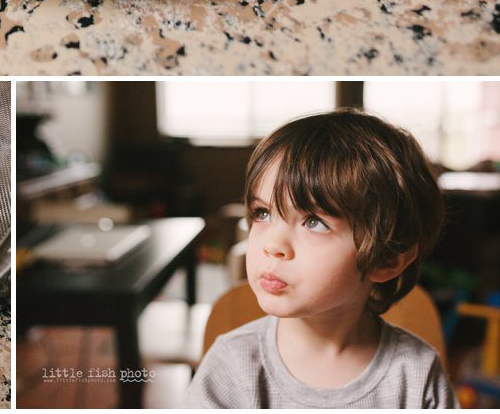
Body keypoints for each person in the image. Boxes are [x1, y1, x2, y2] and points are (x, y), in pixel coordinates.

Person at [183, 109, 457, 409]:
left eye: (314, 221)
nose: (273, 245)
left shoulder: (416, 375)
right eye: (263, 213)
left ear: (386, 260)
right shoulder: (231, 367)